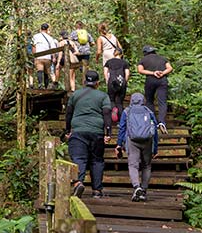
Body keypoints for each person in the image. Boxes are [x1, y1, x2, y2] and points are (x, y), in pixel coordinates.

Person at [64, 70, 111, 200]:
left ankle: (78, 182)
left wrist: (68, 130)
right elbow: (107, 113)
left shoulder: (75, 95)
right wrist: (108, 133)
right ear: (98, 83)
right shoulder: (103, 96)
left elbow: (68, 113)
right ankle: (97, 190)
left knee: (79, 158)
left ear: (84, 81)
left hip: (78, 130)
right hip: (97, 132)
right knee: (97, 160)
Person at [114, 92, 158, 201]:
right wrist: (155, 147)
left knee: (133, 165)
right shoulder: (149, 112)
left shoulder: (127, 111)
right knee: (146, 165)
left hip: (132, 140)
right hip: (147, 141)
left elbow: (122, 128)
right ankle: (143, 190)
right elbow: (155, 130)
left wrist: (119, 144)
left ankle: (136, 187)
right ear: (143, 100)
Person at [137, 45, 173, 134]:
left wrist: (153, 73)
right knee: (162, 101)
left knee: (149, 101)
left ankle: (153, 121)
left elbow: (140, 70)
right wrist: (162, 73)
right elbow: (170, 68)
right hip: (162, 80)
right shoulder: (162, 58)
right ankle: (162, 122)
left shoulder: (143, 60)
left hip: (150, 80)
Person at [103, 51, 130, 136]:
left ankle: (112, 114)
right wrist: (125, 82)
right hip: (121, 83)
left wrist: (107, 81)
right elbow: (127, 74)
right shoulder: (124, 62)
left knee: (111, 100)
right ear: (121, 54)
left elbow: (105, 72)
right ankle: (120, 122)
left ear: (114, 54)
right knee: (120, 102)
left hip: (112, 82)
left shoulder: (109, 62)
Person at [30, 23, 58, 89]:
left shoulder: (35, 36)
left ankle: (40, 85)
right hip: (47, 57)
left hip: (39, 57)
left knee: (39, 70)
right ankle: (46, 87)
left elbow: (33, 47)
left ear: (40, 29)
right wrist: (53, 57)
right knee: (46, 72)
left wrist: (34, 56)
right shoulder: (50, 38)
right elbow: (53, 49)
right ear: (47, 29)